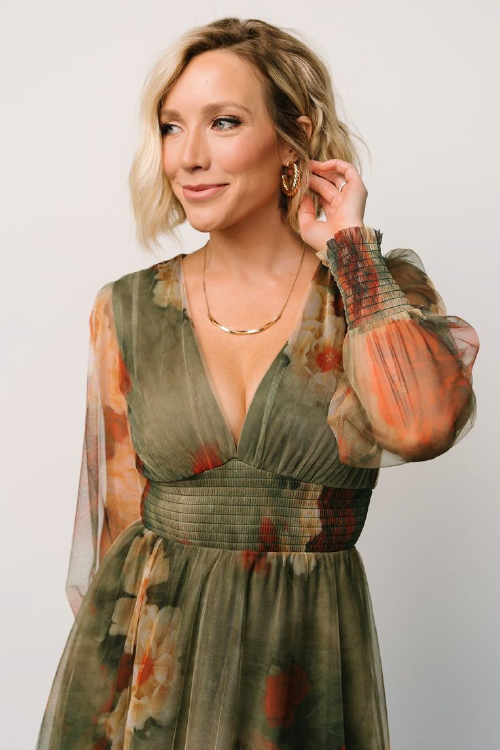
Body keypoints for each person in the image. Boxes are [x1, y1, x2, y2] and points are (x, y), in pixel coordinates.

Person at [36, 16, 479, 750]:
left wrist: (351, 252)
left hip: (303, 674)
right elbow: (116, 525)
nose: (189, 156)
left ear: (293, 139)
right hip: (153, 681)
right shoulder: (128, 309)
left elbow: (422, 426)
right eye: (172, 127)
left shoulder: (372, 294)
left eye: (225, 122)